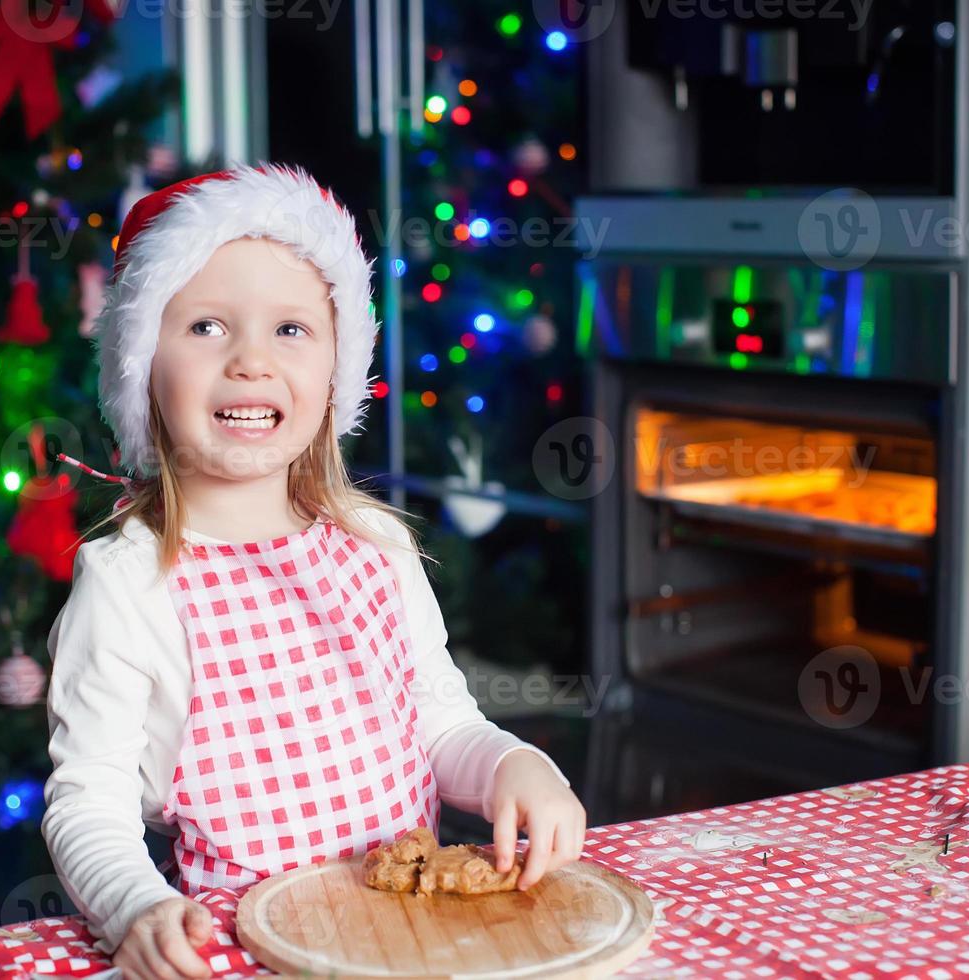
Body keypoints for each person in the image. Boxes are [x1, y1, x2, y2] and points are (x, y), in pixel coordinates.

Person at [41, 163, 585, 980]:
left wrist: (516, 763)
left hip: (405, 945)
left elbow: (441, 726)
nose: (252, 362)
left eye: (290, 329)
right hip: (244, 956)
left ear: (336, 372)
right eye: (206, 327)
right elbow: (89, 800)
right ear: (142, 367)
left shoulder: (375, 544)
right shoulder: (129, 582)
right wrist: (136, 906)